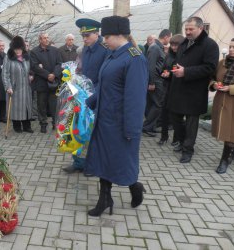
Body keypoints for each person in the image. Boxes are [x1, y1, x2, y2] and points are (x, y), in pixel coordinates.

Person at [85, 16, 148, 216]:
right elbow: (106, 86)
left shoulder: (134, 58)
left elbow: (135, 98)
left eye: (107, 36)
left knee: (122, 163)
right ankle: (105, 199)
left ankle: (134, 187)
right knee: (104, 160)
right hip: (104, 121)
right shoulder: (113, 55)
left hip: (121, 124)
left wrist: (132, 128)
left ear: (119, 35)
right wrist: (89, 101)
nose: (104, 40)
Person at [168, 17, 219, 163]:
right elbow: (177, 59)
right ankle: (183, 141)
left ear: (201, 28)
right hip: (178, 88)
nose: (188, 32)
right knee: (175, 117)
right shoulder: (184, 42)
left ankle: (188, 150)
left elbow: (210, 68)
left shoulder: (210, 45)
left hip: (195, 91)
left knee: (191, 123)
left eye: (191, 29)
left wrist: (187, 72)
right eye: (186, 29)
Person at [62, 18, 109, 176]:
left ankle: (92, 164)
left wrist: (93, 94)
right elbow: (81, 70)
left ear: (97, 33)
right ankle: (78, 162)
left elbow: (107, 77)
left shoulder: (106, 49)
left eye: (87, 35)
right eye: (82, 35)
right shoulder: (84, 49)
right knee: (78, 129)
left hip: (96, 98)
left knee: (92, 132)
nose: (84, 38)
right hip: (81, 97)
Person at [210, 37, 234, 174]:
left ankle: (225, 160)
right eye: (231, 46)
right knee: (225, 131)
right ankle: (233, 152)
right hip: (221, 100)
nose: (232, 49)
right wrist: (214, 84)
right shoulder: (222, 63)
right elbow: (212, 78)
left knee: (230, 133)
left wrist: (231, 88)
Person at [30, 33, 62, 133]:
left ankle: (54, 124)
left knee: (54, 105)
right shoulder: (34, 52)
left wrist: (54, 74)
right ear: (40, 40)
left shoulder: (55, 50)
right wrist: (48, 75)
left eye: (48, 37)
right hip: (41, 83)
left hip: (53, 83)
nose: (47, 39)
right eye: (44, 38)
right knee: (41, 105)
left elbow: (59, 64)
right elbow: (34, 66)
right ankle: (43, 124)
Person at [142, 29, 172, 137]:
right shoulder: (155, 48)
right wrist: (151, 82)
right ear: (166, 37)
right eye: (169, 38)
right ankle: (147, 127)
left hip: (157, 79)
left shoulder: (157, 47)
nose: (169, 41)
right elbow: (151, 66)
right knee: (158, 104)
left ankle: (151, 127)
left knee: (153, 104)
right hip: (156, 80)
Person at [2, 36, 33, 133]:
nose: (18, 51)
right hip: (15, 88)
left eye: (20, 49)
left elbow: (31, 69)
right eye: (16, 49)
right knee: (16, 108)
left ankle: (27, 126)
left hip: (26, 87)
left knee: (26, 107)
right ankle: (17, 126)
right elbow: (5, 74)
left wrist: (31, 75)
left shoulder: (27, 57)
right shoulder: (8, 58)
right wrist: (8, 86)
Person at [159, 34, 185, 146]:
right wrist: (164, 73)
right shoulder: (168, 55)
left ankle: (177, 138)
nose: (174, 47)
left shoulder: (184, 57)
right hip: (167, 88)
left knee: (176, 116)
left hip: (178, 90)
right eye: (172, 45)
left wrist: (171, 74)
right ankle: (164, 136)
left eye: (176, 45)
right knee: (164, 114)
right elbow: (163, 68)